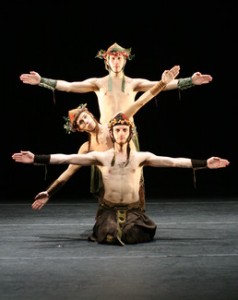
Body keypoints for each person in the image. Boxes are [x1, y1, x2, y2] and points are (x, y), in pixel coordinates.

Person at [12, 113, 229, 246]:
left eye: (125, 130)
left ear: (130, 132)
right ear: (113, 133)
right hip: (109, 210)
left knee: (131, 234)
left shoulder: (141, 158)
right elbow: (66, 158)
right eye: (118, 130)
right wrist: (35, 159)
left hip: (134, 211)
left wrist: (204, 163)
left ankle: (130, 227)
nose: (122, 133)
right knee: (109, 234)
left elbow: (172, 162)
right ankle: (109, 227)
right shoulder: (101, 157)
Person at [24, 65, 180, 211]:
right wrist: (49, 192)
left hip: (130, 182)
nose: (86, 122)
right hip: (110, 189)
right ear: (79, 129)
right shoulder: (87, 147)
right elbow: (69, 171)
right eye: (81, 122)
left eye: (85, 117)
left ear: (91, 114)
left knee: (134, 225)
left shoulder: (114, 123)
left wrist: (162, 83)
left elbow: (140, 102)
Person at [19, 42, 213, 125]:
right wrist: (41, 81)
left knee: (133, 176)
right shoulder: (98, 83)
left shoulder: (133, 83)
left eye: (120, 58)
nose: (116, 61)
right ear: (107, 61)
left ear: (125, 60)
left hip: (127, 131)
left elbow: (162, 84)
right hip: (104, 131)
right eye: (113, 58)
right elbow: (69, 86)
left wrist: (190, 81)